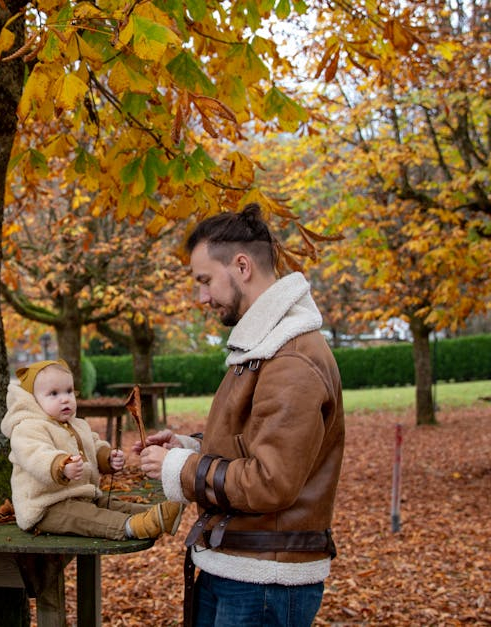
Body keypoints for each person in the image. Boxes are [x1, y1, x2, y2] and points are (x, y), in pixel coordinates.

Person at [136, 204, 345, 626]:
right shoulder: (262, 349)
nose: (202, 297)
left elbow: (271, 481)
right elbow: (250, 442)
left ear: (243, 266)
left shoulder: (291, 358)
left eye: (206, 280)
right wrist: (188, 446)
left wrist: (180, 468)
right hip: (234, 566)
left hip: (263, 582)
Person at [1, 359, 184, 540]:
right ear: (31, 400)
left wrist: (107, 458)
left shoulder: (77, 424)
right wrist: (61, 465)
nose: (65, 398)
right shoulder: (27, 428)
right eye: (54, 393)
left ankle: (155, 515)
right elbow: (35, 455)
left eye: (69, 391)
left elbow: (94, 444)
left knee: (109, 504)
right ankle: (133, 526)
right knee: (91, 517)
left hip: (82, 496)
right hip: (46, 506)